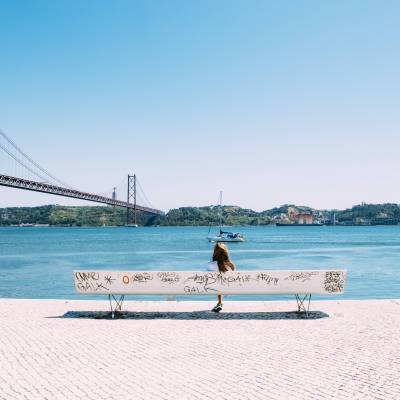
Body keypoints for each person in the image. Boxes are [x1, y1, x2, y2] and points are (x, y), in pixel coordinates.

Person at [211, 242, 236, 312]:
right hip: (229, 286)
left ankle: (219, 303)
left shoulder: (212, 265)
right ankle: (219, 303)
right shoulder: (230, 264)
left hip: (216, 287)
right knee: (221, 284)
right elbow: (234, 275)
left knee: (218, 284)